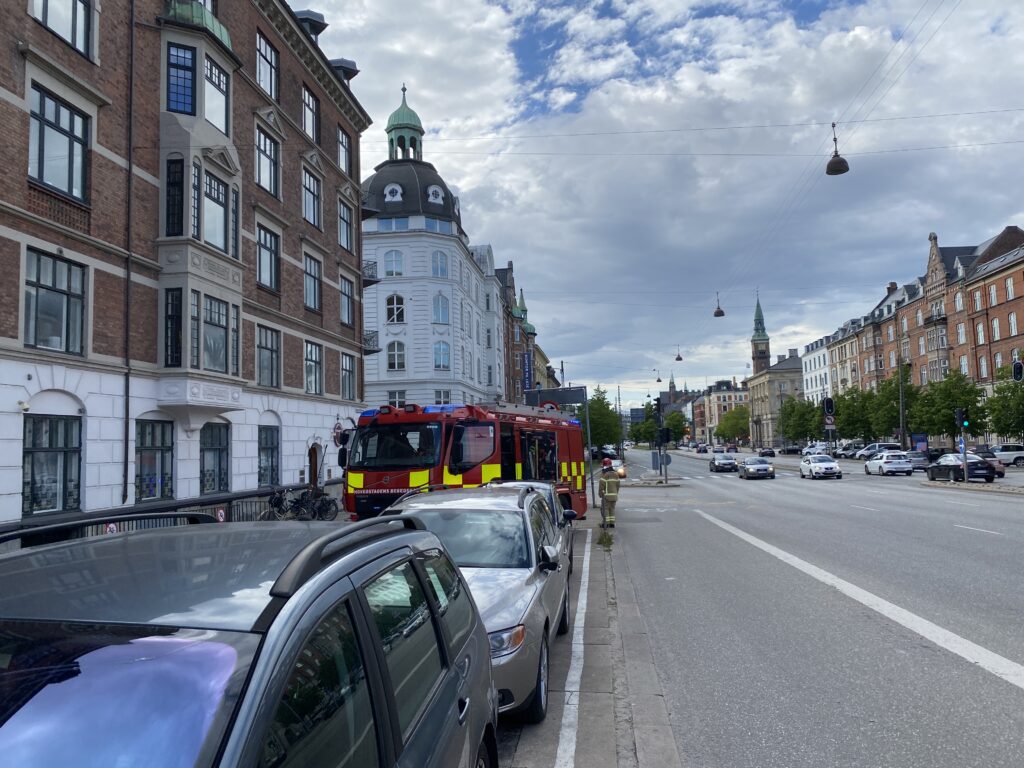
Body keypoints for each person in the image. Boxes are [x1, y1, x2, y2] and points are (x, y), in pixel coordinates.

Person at [598, 457, 620, 528]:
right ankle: (612, 523)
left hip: (606, 496)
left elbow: (601, 486)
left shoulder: (604, 474)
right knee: (612, 509)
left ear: (604, 465)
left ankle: (606, 523)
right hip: (614, 496)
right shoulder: (616, 474)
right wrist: (616, 493)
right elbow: (618, 485)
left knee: (605, 509)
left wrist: (600, 494)